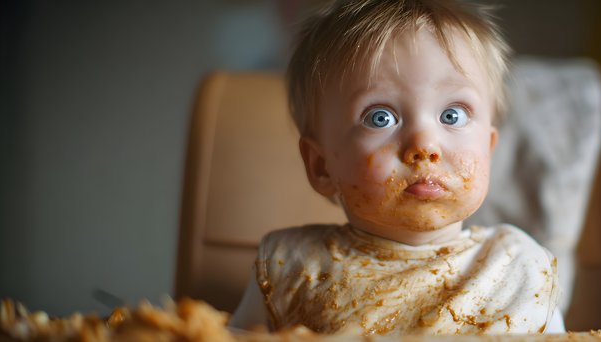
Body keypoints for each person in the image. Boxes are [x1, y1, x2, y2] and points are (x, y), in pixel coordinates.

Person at [230, 0, 564, 335]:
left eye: (453, 115)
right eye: (380, 118)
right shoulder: (292, 268)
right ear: (321, 166)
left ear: (489, 150)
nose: (424, 146)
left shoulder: (521, 268)